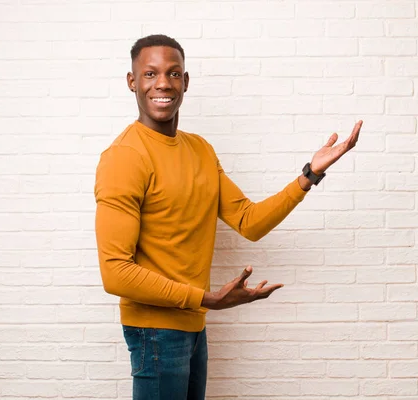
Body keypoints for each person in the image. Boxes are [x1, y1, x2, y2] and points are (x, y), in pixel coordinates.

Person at [94, 34, 362, 400]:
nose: (162, 84)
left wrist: (308, 176)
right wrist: (207, 299)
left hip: (193, 326)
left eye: (173, 74)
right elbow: (115, 272)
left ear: (185, 82)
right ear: (132, 82)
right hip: (153, 332)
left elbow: (249, 221)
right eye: (149, 74)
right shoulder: (125, 156)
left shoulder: (200, 150)